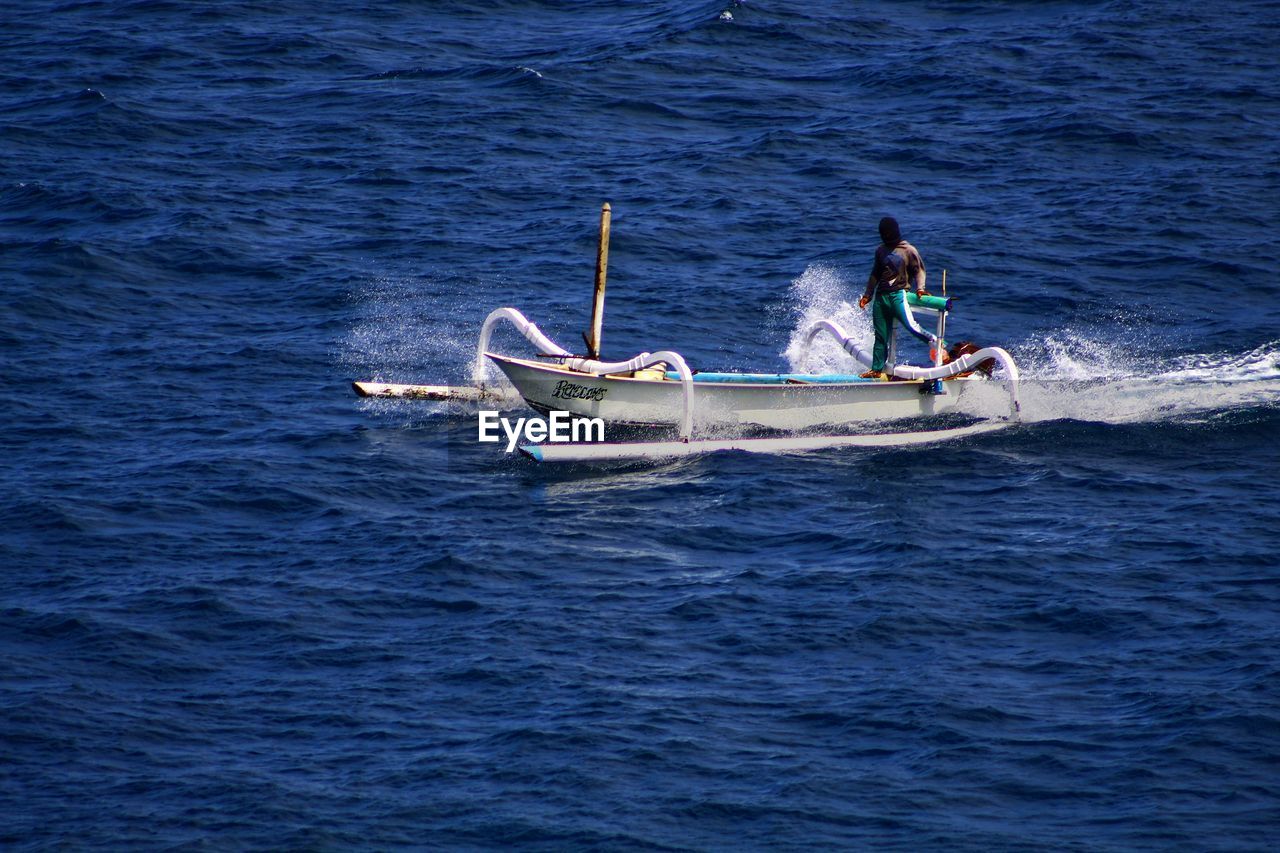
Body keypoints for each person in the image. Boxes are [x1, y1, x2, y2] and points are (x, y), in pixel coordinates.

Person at [857, 216, 935, 379]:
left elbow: (919, 271)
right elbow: (875, 274)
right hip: (881, 297)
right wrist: (867, 295)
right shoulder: (880, 250)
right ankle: (876, 369)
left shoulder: (908, 250)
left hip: (898, 295)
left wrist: (920, 289)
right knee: (880, 335)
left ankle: (937, 344)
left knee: (911, 326)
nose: (887, 238)